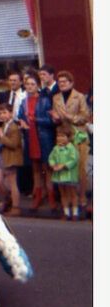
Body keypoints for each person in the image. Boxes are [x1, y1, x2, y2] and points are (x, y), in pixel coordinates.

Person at [51, 70, 90, 215]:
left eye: (64, 82)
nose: (61, 84)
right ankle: (69, 201)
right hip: (63, 137)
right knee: (66, 169)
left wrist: (69, 116)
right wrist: (55, 118)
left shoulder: (79, 97)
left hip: (78, 136)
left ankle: (82, 198)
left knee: (80, 169)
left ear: (71, 83)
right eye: (59, 82)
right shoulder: (56, 98)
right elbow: (57, 118)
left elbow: (85, 117)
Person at [17, 70, 55, 211]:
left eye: (33, 84)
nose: (29, 86)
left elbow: (51, 120)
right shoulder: (24, 101)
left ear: (38, 86)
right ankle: (38, 196)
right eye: (27, 84)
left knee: (47, 169)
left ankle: (50, 198)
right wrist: (21, 121)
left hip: (43, 137)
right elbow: (20, 116)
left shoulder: (44, 100)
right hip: (30, 137)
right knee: (36, 169)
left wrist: (36, 119)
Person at [0, 103, 23, 215]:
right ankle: (7, 199)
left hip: (11, 157)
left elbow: (13, 144)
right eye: (0, 113)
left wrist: (1, 136)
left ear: (11, 113)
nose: (2, 115)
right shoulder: (4, 126)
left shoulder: (14, 127)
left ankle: (16, 207)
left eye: (5, 112)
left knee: (12, 182)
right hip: (2, 156)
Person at [48, 124, 80, 221]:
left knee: (72, 193)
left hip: (69, 175)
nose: (60, 138)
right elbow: (51, 158)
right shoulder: (56, 148)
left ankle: (75, 213)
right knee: (63, 193)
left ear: (68, 137)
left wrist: (64, 165)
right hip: (59, 175)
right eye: (58, 136)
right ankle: (66, 212)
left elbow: (74, 159)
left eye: (63, 136)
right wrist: (53, 164)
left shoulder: (71, 148)